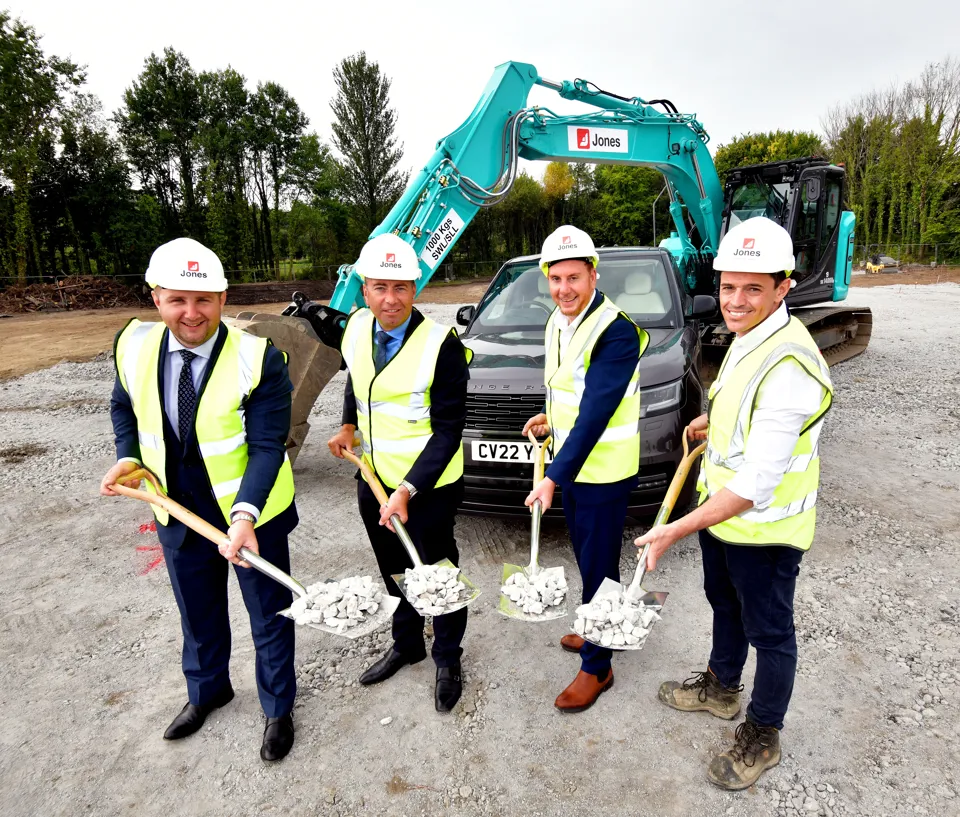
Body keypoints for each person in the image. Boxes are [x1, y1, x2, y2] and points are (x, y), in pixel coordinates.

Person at [634, 216, 834, 790]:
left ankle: (763, 733)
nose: (736, 300)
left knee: (770, 633)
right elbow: (744, 417)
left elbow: (756, 485)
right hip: (727, 525)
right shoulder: (753, 339)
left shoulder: (791, 364)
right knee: (724, 603)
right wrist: (711, 421)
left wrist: (673, 528)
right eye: (728, 286)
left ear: (783, 288)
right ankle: (722, 689)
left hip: (766, 531)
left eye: (753, 288)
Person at [100, 237, 298, 762]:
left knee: (270, 612)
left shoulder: (261, 359)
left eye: (204, 299)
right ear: (156, 297)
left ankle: (278, 708)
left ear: (224, 298)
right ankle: (208, 691)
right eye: (178, 299)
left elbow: (265, 445)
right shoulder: (133, 344)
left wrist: (246, 514)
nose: (192, 313)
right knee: (197, 611)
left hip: (252, 513)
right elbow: (123, 404)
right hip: (175, 506)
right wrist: (128, 457)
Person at [327, 233, 472, 712]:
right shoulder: (355, 328)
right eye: (379, 288)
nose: (391, 300)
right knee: (394, 569)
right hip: (374, 479)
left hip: (427, 486)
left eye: (401, 288)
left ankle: (447, 656)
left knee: (438, 574)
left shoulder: (440, 345)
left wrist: (408, 488)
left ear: (416, 288)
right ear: (363, 290)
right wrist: (348, 424)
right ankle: (408, 643)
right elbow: (358, 378)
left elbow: (450, 430)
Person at [522, 225, 648, 713]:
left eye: (574, 277)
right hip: (572, 466)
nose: (564, 289)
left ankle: (599, 666)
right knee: (588, 558)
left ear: (594, 274)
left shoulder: (616, 332)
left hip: (603, 471)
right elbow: (566, 387)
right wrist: (549, 416)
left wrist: (553, 477)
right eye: (556, 279)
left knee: (599, 564)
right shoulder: (560, 320)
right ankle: (596, 628)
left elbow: (596, 412)